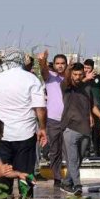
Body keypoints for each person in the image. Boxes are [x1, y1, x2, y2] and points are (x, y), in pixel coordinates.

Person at [0, 50, 47, 198]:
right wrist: (42, 128)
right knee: (26, 174)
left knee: (1, 174)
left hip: (0, 136)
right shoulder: (31, 79)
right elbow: (40, 108)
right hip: (25, 134)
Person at [58, 63, 100, 196]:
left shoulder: (88, 87)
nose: (77, 77)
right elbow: (70, 81)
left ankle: (66, 182)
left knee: (79, 158)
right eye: (75, 74)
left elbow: (91, 105)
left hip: (84, 128)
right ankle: (77, 185)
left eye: (80, 74)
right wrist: (68, 70)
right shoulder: (66, 86)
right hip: (70, 127)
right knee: (72, 159)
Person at [37, 50, 68, 184]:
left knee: (69, 150)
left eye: (62, 63)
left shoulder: (70, 78)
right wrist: (42, 61)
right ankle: (57, 177)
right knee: (54, 150)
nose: (60, 65)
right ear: (54, 64)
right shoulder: (50, 77)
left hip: (69, 120)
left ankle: (71, 177)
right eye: (57, 63)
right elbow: (43, 70)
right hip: (53, 120)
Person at [82, 59, 100, 157]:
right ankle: (86, 150)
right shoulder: (81, 78)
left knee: (97, 129)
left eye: (88, 68)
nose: (86, 70)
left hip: (97, 107)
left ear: (93, 68)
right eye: (85, 67)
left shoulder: (99, 78)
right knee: (86, 129)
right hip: (85, 108)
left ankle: (97, 150)